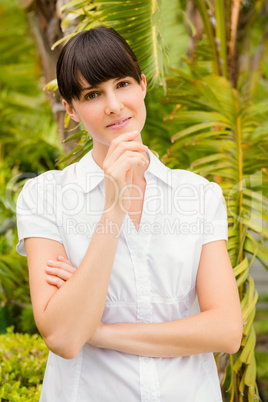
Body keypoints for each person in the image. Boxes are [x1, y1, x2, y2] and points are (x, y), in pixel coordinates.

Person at [16, 26, 243, 402]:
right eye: (93, 94)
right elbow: (65, 338)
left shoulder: (199, 195)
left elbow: (225, 330)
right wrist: (115, 206)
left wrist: (100, 330)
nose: (114, 105)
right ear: (71, 110)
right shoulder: (46, 197)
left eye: (122, 84)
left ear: (142, 84)